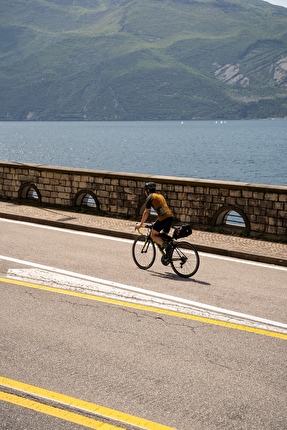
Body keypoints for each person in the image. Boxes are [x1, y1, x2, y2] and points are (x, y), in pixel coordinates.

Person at [135, 182, 174, 252]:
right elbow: (162, 212)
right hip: (170, 217)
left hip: (164, 218)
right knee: (163, 236)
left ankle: (168, 247)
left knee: (153, 235)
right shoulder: (160, 196)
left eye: (145, 190)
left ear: (148, 190)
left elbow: (146, 212)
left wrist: (140, 224)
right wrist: (155, 222)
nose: (145, 192)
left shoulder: (150, 197)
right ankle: (168, 255)